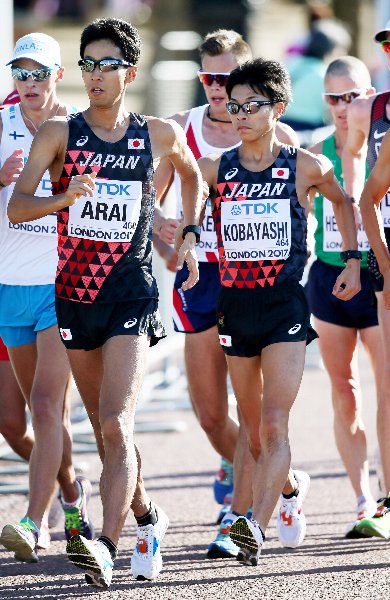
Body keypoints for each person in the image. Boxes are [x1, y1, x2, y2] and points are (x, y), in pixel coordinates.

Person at [7, 18, 203, 588]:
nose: (93, 75)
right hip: (73, 297)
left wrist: (188, 235)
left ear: (130, 73)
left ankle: (107, 547)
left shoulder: (158, 133)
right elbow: (18, 209)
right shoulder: (60, 134)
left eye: (105, 65)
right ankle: (146, 517)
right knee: (103, 425)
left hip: (131, 294)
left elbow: (193, 179)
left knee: (117, 424)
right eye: (87, 64)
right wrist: (65, 197)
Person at [198, 57, 361, 565]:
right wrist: (179, 237)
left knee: (273, 423)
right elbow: (179, 199)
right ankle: (289, 489)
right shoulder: (214, 169)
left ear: (279, 107)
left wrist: (354, 261)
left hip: (285, 306)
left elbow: (343, 203)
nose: (239, 114)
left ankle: (251, 526)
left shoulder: (305, 165)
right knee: (250, 431)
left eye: (252, 105)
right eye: (234, 105)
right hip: (235, 306)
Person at [153, 29, 300, 559]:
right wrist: (166, 233)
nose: (218, 89)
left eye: (228, 78)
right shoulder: (181, 130)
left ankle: (245, 510)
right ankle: (281, 483)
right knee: (213, 416)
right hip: (200, 277)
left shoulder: (272, 136)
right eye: (208, 78)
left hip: (255, 283)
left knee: (261, 414)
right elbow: (152, 201)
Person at [0, 32, 93, 563]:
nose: (29, 83)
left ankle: (34, 523)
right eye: (21, 72)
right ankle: (74, 495)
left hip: (63, 287)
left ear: (58, 75)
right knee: (33, 419)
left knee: (45, 403)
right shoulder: (2, 122)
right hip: (9, 287)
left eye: (39, 73)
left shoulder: (78, 129)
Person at [306, 56, 382, 537]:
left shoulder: (383, 147)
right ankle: (363, 498)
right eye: (334, 97)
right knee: (344, 392)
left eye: (353, 95)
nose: (343, 106)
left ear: (370, 94)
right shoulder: (315, 156)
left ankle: (388, 492)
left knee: (389, 389)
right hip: (330, 282)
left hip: (379, 281)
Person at [342, 20, 390, 538]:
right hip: (388, 256)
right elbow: (357, 168)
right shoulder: (370, 108)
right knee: (387, 386)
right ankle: (388, 496)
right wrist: (373, 249)